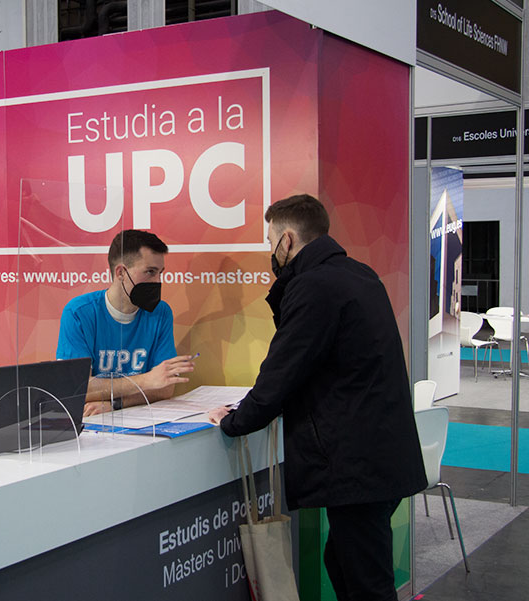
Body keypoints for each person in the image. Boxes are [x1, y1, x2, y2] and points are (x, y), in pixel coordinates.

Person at [208, 194, 426, 601]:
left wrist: (234, 421)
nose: (270, 250)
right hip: (381, 453)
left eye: (270, 240)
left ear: (287, 239)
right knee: (343, 562)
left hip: (358, 464)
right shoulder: (357, 273)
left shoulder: (314, 286)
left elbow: (283, 370)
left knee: (365, 582)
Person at [56, 229, 195, 415]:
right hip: (90, 422)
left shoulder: (161, 312)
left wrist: (116, 404)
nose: (157, 281)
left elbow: (165, 387)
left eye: (160, 273)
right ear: (121, 272)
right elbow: (75, 389)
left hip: (136, 418)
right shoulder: (79, 312)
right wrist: (146, 381)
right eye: (150, 272)